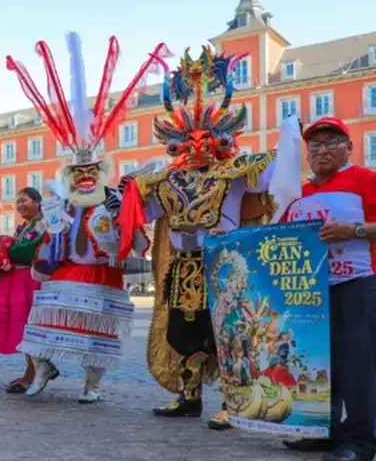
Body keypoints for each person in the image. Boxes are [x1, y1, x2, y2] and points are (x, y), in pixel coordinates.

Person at [117, 47, 301, 428]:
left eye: (206, 137)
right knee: (184, 332)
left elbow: (278, 180)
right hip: (184, 268)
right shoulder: (167, 180)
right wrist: (121, 200)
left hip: (224, 264)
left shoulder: (234, 172)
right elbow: (145, 212)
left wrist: (289, 138)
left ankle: (232, 401)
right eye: (189, 138)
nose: (197, 144)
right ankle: (190, 397)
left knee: (229, 332)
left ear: (223, 136)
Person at [6, 32, 165, 402]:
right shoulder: (62, 205)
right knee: (41, 322)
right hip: (69, 271)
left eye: (91, 169)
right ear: (71, 175)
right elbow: (50, 243)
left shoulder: (113, 199)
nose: (84, 176)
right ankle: (44, 367)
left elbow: (138, 240)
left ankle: (92, 385)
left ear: (101, 168)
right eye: (78, 172)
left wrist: (125, 218)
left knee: (98, 335)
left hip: (103, 274)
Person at [279, 116, 376, 461]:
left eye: (332, 142)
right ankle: (323, 430)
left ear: (349, 147)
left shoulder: (365, 179)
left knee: (358, 365)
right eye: (315, 145)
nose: (322, 150)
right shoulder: (298, 193)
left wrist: (354, 230)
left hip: (358, 284)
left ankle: (360, 441)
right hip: (311, 294)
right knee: (318, 363)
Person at [0, 188, 46, 394]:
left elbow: (24, 250)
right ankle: (32, 371)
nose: (20, 205)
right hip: (19, 279)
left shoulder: (41, 225)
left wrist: (1, 248)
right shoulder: (26, 226)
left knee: (29, 326)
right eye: (17, 202)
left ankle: (33, 373)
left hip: (29, 280)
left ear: (37, 202)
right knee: (23, 327)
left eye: (24, 200)